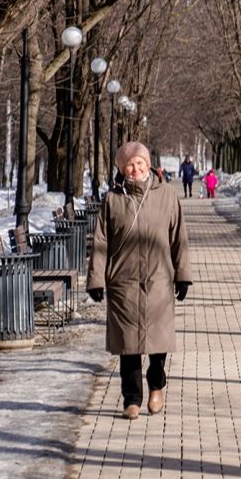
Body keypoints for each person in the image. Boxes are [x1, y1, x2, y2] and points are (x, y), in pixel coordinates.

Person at [86, 141, 192, 420]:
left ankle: (157, 385)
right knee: (127, 346)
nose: (135, 169)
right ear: (122, 169)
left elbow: (178, 238)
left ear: (149, 166)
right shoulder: (112, 200)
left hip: (158, 280)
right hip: (123, 283)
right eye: (130, 165)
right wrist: (96, 280)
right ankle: (131, 399)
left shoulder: (167, 195)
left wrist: (183, 276)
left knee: (158, 343)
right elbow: (100, 242)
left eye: (140, 163)